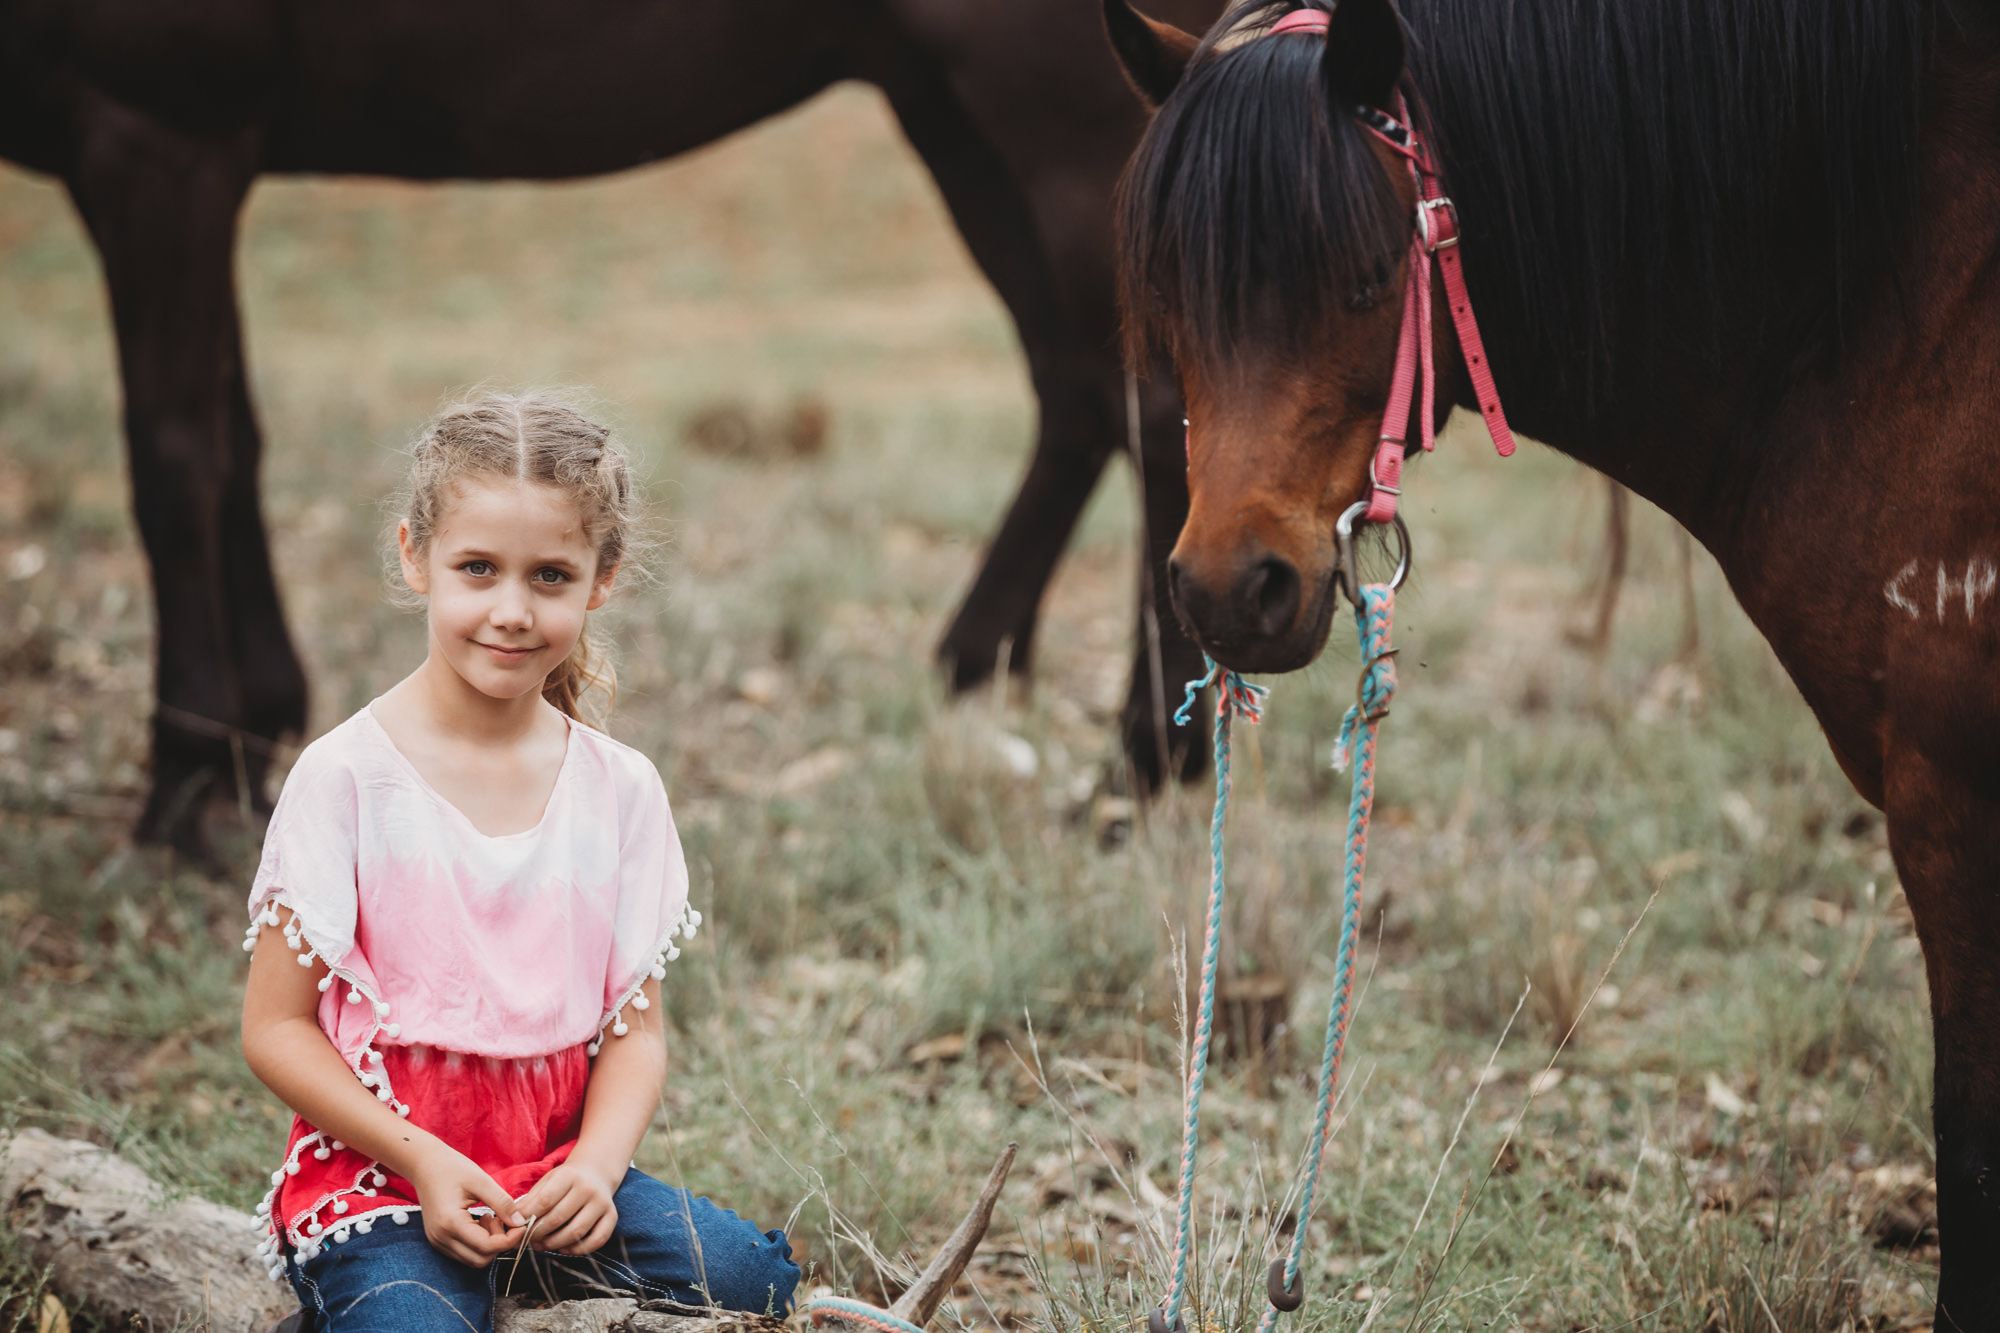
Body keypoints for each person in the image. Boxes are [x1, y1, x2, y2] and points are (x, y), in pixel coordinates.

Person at [238, 392, 798, 1332]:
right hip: (388, 1182)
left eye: (549, 576)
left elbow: (637, 1032)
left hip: (548, 1175)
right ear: (416, 555)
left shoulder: (619, 789)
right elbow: (277, 1028)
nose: (510, 609)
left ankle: (519, 1282)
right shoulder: (345, 777)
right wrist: (423, 1159)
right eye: (477, 568)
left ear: (602, 577)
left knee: (752, 1282)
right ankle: (376, 1297)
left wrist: (597, 1169)